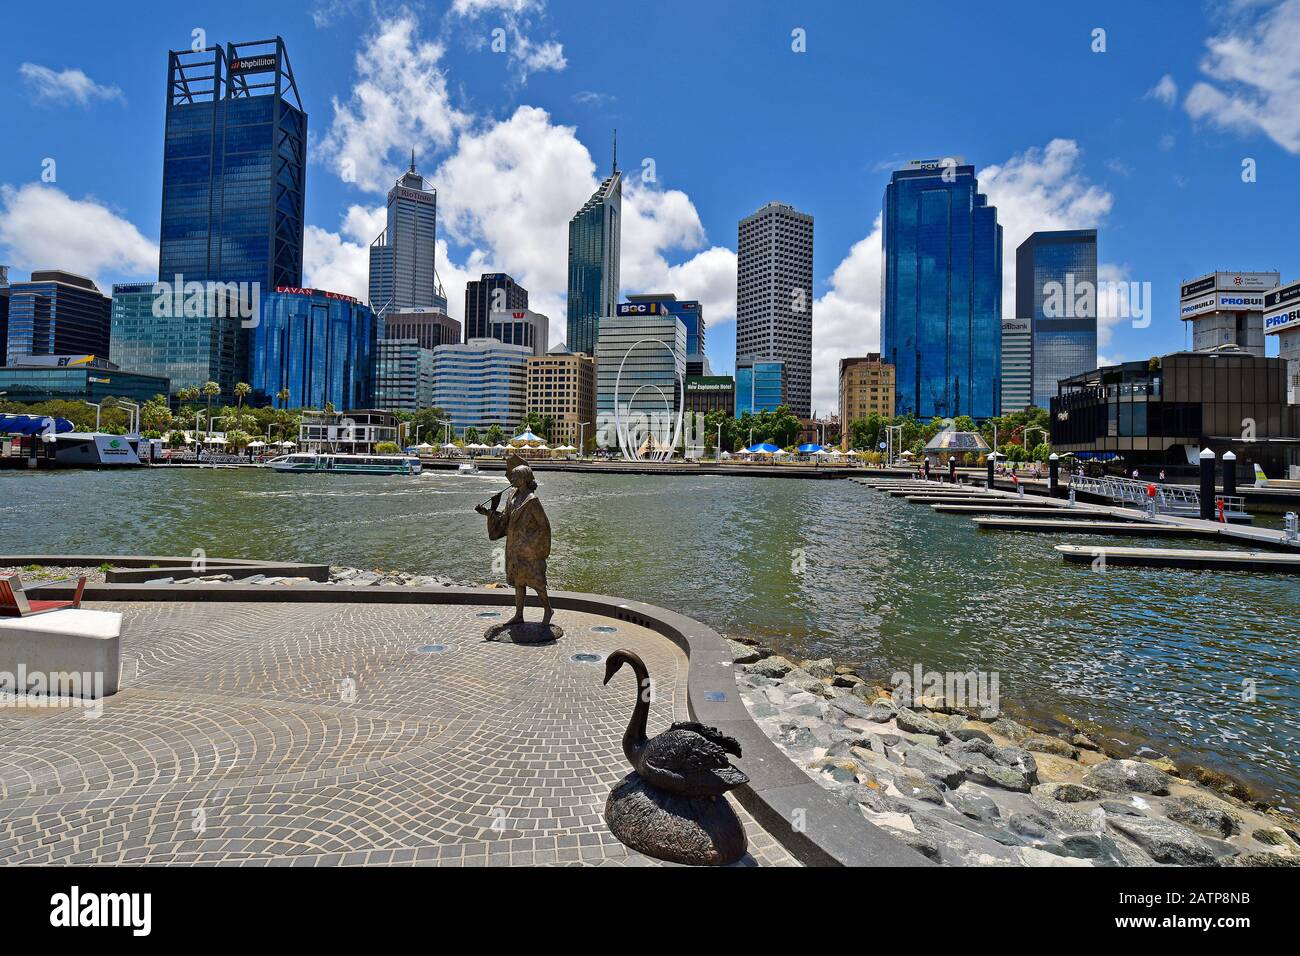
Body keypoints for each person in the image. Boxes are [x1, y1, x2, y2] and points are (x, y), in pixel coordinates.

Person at [476, 456, 553, 626]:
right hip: (513, 546)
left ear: (524, 479)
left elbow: (544, 526)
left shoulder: (532, 500)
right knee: (518, 581)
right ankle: (519, 614)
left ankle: (548, 609)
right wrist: (489, 511)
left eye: (514, 477)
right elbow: (505, 519)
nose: (511, 479)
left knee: (537, 582)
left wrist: (531, 546)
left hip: (528, 549)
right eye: (511, 477)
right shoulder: (511, 495)